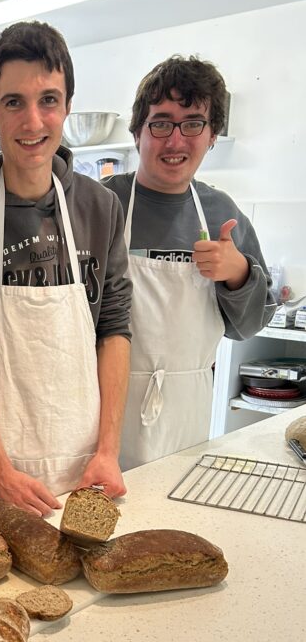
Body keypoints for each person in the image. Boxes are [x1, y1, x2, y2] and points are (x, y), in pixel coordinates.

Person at [0, 21, 133, 516]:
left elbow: (115, 328)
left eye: (49, 100)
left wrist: (108, 450)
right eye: (14, 102)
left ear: (66, 107)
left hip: (85, 465)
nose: (32, 121)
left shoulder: (99, 208)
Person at [102, 55, 276, 469]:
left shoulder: (221, 214)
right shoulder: (102, 204)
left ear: (212, 134)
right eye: (160, 123)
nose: (175, 141)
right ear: (138, 132)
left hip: (187, 414)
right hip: (103, 406)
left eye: (193, 124)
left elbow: (251, 324)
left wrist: (239, 274)